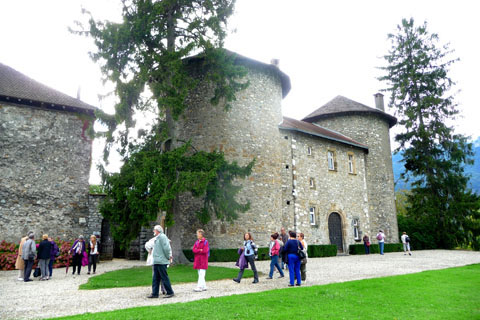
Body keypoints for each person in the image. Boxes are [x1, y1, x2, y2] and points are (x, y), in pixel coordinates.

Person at [147, 225, 174, 299]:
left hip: (161, 261)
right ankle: (155, 293)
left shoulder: (162, 237)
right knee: (155, 278)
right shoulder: (157, 238)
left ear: (157, 230)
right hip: (157, 261)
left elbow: (166, 248)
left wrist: (168, 257)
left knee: (164, 277)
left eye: (154, 230)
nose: (153, 231)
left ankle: (170, 292)